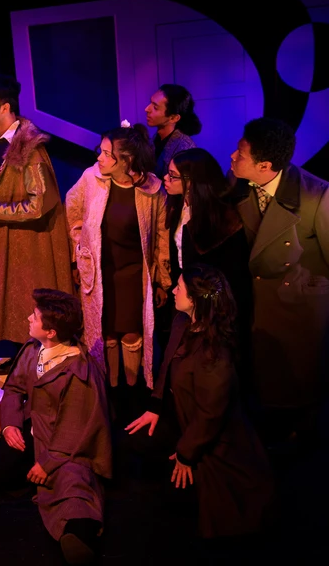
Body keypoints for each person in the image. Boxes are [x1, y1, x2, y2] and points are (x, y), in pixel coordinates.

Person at [125, 264, 275, 544]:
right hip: (183, 418)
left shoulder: (215, 353)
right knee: (136, 439)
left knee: (178, 498)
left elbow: (210, 415)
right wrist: (155, 406)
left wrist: (185, 454)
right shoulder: (183, 322)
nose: (172, 290)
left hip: (213, 442)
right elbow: (168, 363)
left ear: (195, 300)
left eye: (179, 287)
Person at [0, 289, 112, 565]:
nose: (29, 318)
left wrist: (48, 463)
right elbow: (14, 389)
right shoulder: (32, 351)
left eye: (36, 316)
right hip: (34, 431)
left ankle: (79, 534)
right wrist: (10, 426)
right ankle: (36, 477)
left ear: (51, 331)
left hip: (66, 445)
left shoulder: (78, 371)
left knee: (72, 483)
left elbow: (74, 428)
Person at [229, 116, 329, 452]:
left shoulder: (316, 196)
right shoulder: (239, 186)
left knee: (301, 393)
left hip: (299, 313)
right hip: (258, 305)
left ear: (265, 165)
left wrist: (308, 290)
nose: (232, 156)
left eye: (240, 154)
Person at [0, 75, 73, 373]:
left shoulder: (30, 149)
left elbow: (37, 205)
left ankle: (37, 359)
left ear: (5, 108)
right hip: (7, 235)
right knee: (13, 295)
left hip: (29, 238)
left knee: (27, 294)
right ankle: (24, 356)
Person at [65, 122, 170, 403]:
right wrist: (80, 251)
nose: (99, 158)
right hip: (101, 272)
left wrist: (162, 280)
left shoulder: (152, 189)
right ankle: (109, 389)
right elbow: (72, 207)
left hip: (133, 274)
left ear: (126, 160)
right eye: (100, 151)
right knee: (105, 330)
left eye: (106, 153)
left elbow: (161, 235)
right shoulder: (91, 178)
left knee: (131, 332)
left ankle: (133, 390)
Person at [160, 148, 252, 393]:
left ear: (192, 181)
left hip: (210, 310)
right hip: (184, 300)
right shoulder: (177, 206)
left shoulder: (222, 219)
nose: (165, 180)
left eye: (172, 176)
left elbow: (233, 277)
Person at [145, 83, 202, 179]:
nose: (146, 109)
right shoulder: (155, 139)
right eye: (150, 103)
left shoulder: (184, 148)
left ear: (173, 118)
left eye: (155, 107)